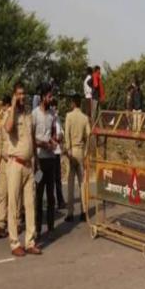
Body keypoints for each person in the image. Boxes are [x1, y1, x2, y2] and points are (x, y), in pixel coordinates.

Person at [5, 81, 41, 256]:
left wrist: (37, 161)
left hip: (29, 165)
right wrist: (12, 106)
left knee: (30, 204)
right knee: (14, 205)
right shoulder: (11, 114)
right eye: (19, 94)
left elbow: (32, 138)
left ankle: (30, 241)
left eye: (24, 93)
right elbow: (8, 128)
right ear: (14, 95)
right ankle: (14, 243)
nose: (22, 96)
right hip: (15, 164)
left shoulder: (28, 115)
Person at [32, 83, 57, 238]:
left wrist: (54, 141)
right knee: (38, 196)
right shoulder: (34, 114)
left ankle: (51, 228)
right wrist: (43, 144)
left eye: (51, 96)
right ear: (42, 97)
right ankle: (38, 229)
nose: (51, 98)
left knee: (51, 196)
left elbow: (54, 133)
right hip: (39, 161)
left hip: (51, 160)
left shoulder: (52, 114)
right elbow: (31, 138)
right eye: (49, 96)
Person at [64, 94, 91, 222]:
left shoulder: (69, 116)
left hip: (72, 151)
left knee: (70, 183)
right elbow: (89, 136)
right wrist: (86, 153)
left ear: (73, 103)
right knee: (82, 183)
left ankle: (70, 213)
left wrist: (68, 150)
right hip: (81, 151)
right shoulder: (85, 118)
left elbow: (67, 136)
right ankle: (84, 211)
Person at [0, 95, 12, 239]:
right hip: (13, 160)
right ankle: (14, 223)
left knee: (2, 195)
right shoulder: (14, 117)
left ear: (5, 105)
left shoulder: (2, 119)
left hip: (5, 161)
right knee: (14, 195)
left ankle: (0, 224)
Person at [51, 99, 66, 210]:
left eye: (56, 107)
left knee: (57, 178)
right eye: (54, 107)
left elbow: (61, 133)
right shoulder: (48, 119)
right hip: (47, 154)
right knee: (41, 178)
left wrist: (59, 136)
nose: (56, 110)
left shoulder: (58, 120)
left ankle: (60, 201)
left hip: (56, 152)